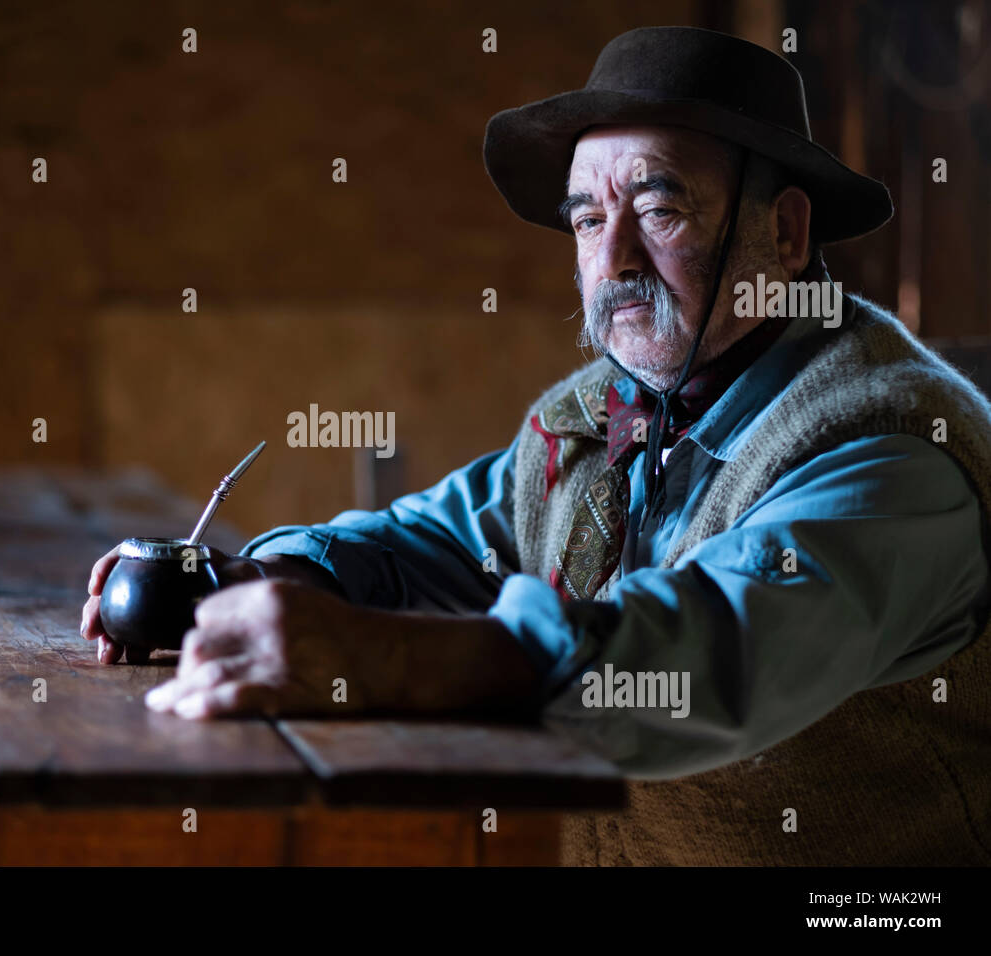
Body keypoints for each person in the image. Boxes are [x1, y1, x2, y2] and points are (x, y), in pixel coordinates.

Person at [81, 26, 991, 865]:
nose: (615, 260)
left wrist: (386, 659)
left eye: (659, 208)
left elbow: (712, 657)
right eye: (589, 220)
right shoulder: (601, 416)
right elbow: (431, 540)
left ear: (785, 234)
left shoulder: (894, 446)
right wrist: (260, 584)